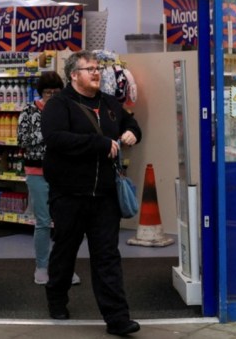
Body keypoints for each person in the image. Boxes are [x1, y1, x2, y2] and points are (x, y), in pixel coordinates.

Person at [41, 51, 142, 336]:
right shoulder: (59, 105)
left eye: (98, 68)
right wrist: (98, 144)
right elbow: (55, 138)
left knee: (107, 256)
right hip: (69, 194)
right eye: (90, 69)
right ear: (74, 75)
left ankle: (117, 318)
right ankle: (57, 299)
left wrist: (133, 132)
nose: (97, 73)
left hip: (105, 196)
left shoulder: (110, 103)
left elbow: (131, 124)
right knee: (65, 251)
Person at [17, 71, 81, 286]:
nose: (52, 96)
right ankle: (42, 267)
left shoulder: (68, 109)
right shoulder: (28, 111)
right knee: (43, 222)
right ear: (40, 93)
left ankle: (65, 267)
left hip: (65, 172)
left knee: (67, 223)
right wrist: (49, 132)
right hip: (37, 172)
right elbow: (22, 139)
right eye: (47, 92)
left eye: (56, 92)